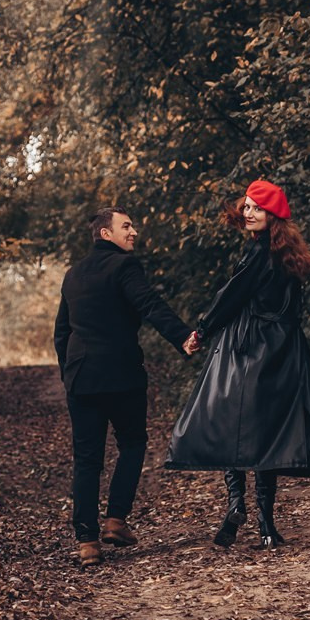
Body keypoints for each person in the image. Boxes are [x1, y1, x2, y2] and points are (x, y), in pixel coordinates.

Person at [166, 179, 310, 549]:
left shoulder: (258, 252)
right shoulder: (290, 253)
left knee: (228, 421)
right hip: (284, 348)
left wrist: (201, 331)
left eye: (256, 207)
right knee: (267, 432)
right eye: (246, 207)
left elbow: (231, 296)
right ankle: (267, 525)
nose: (247, 212)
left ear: (273, 214)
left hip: (247, 344)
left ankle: (236, 503)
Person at [54, 206, 192, 568]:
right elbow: (150, 305)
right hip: (121, 376)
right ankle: (116, 520)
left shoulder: (73, 274)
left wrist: (68, 372)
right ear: (105, 234)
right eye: (126, 226)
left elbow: (62, 332)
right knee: (132, 443)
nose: (133, 232)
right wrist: (183, 337)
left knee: (87, 460)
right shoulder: (124, 267)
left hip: (82, 378)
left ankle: (87, 541)